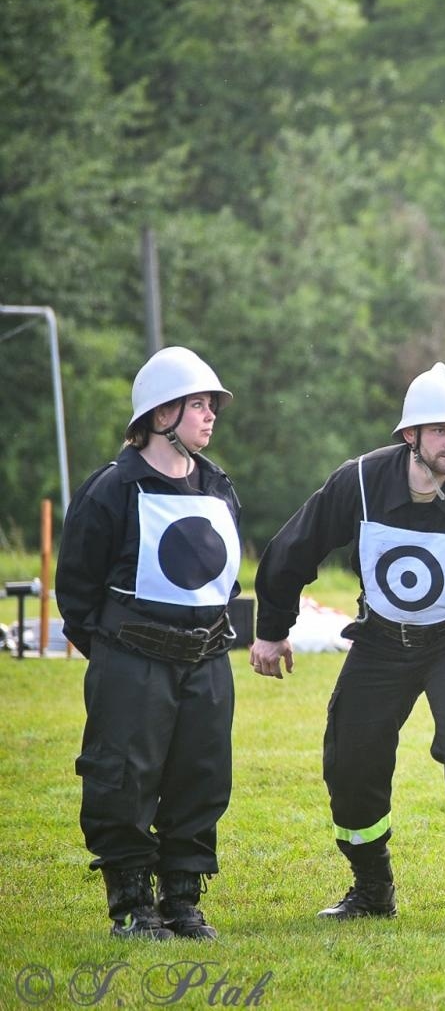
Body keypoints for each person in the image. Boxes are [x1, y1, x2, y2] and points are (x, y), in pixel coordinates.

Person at [248, 363, 445, 932]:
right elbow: (292, 549)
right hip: (379, 640)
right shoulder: (360, 481)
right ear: (410, 436)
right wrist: (273, 629)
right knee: (350, 757)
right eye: (441, 431)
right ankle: (372, 888)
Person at [57, 346, 242, 940]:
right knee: (124, 776)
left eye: (212, 405)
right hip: (132, 659)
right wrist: (116, 652)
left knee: (202, 774)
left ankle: (182, 899)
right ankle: (132, 903)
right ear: (162, 415)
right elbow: (77, 588)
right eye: (198, 405)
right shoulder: (111, 488)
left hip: (206, 659)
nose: (210, 415)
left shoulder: (217, 484)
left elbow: (222, 571)